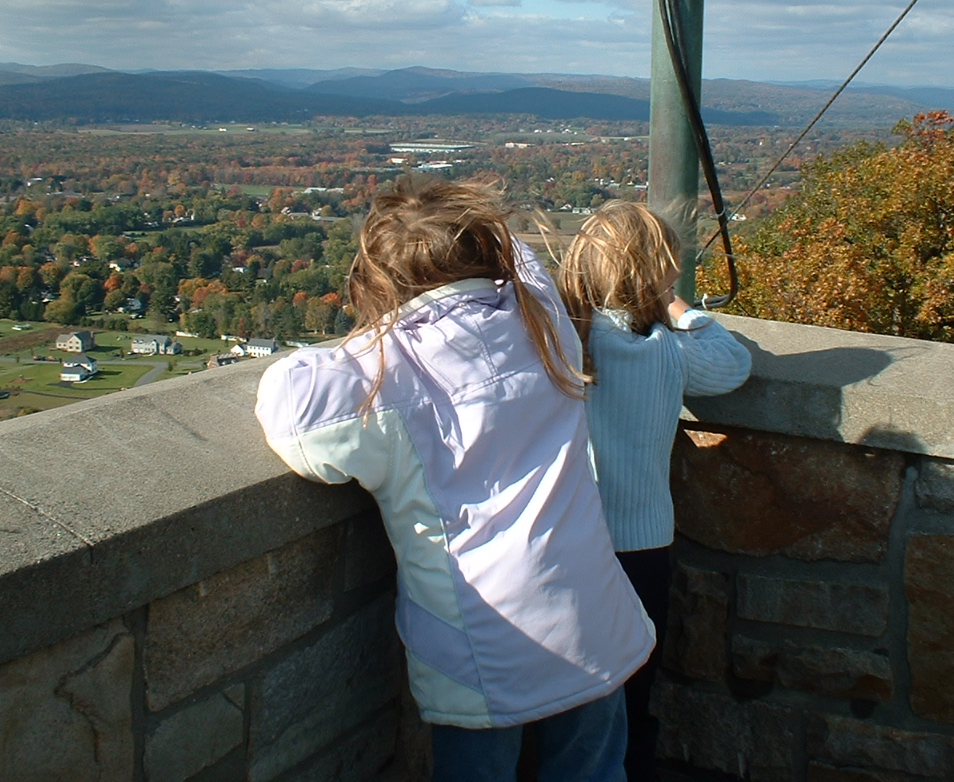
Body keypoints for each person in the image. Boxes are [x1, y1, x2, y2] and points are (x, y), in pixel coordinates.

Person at [254, 177, 655, 782]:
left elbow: (292, 412)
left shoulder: (386, 376)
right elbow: (524, 257)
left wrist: (377, 326)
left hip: (484, 646)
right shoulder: (546, 322)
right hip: (592, 616)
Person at [558, 201, 752, 782]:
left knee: (568, 701)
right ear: (656, 272)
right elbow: (732, 365)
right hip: (639, 547)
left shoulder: (559, 344)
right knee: (630, 696)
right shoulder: (661, 350)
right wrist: (679, 308)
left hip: (564, 543)